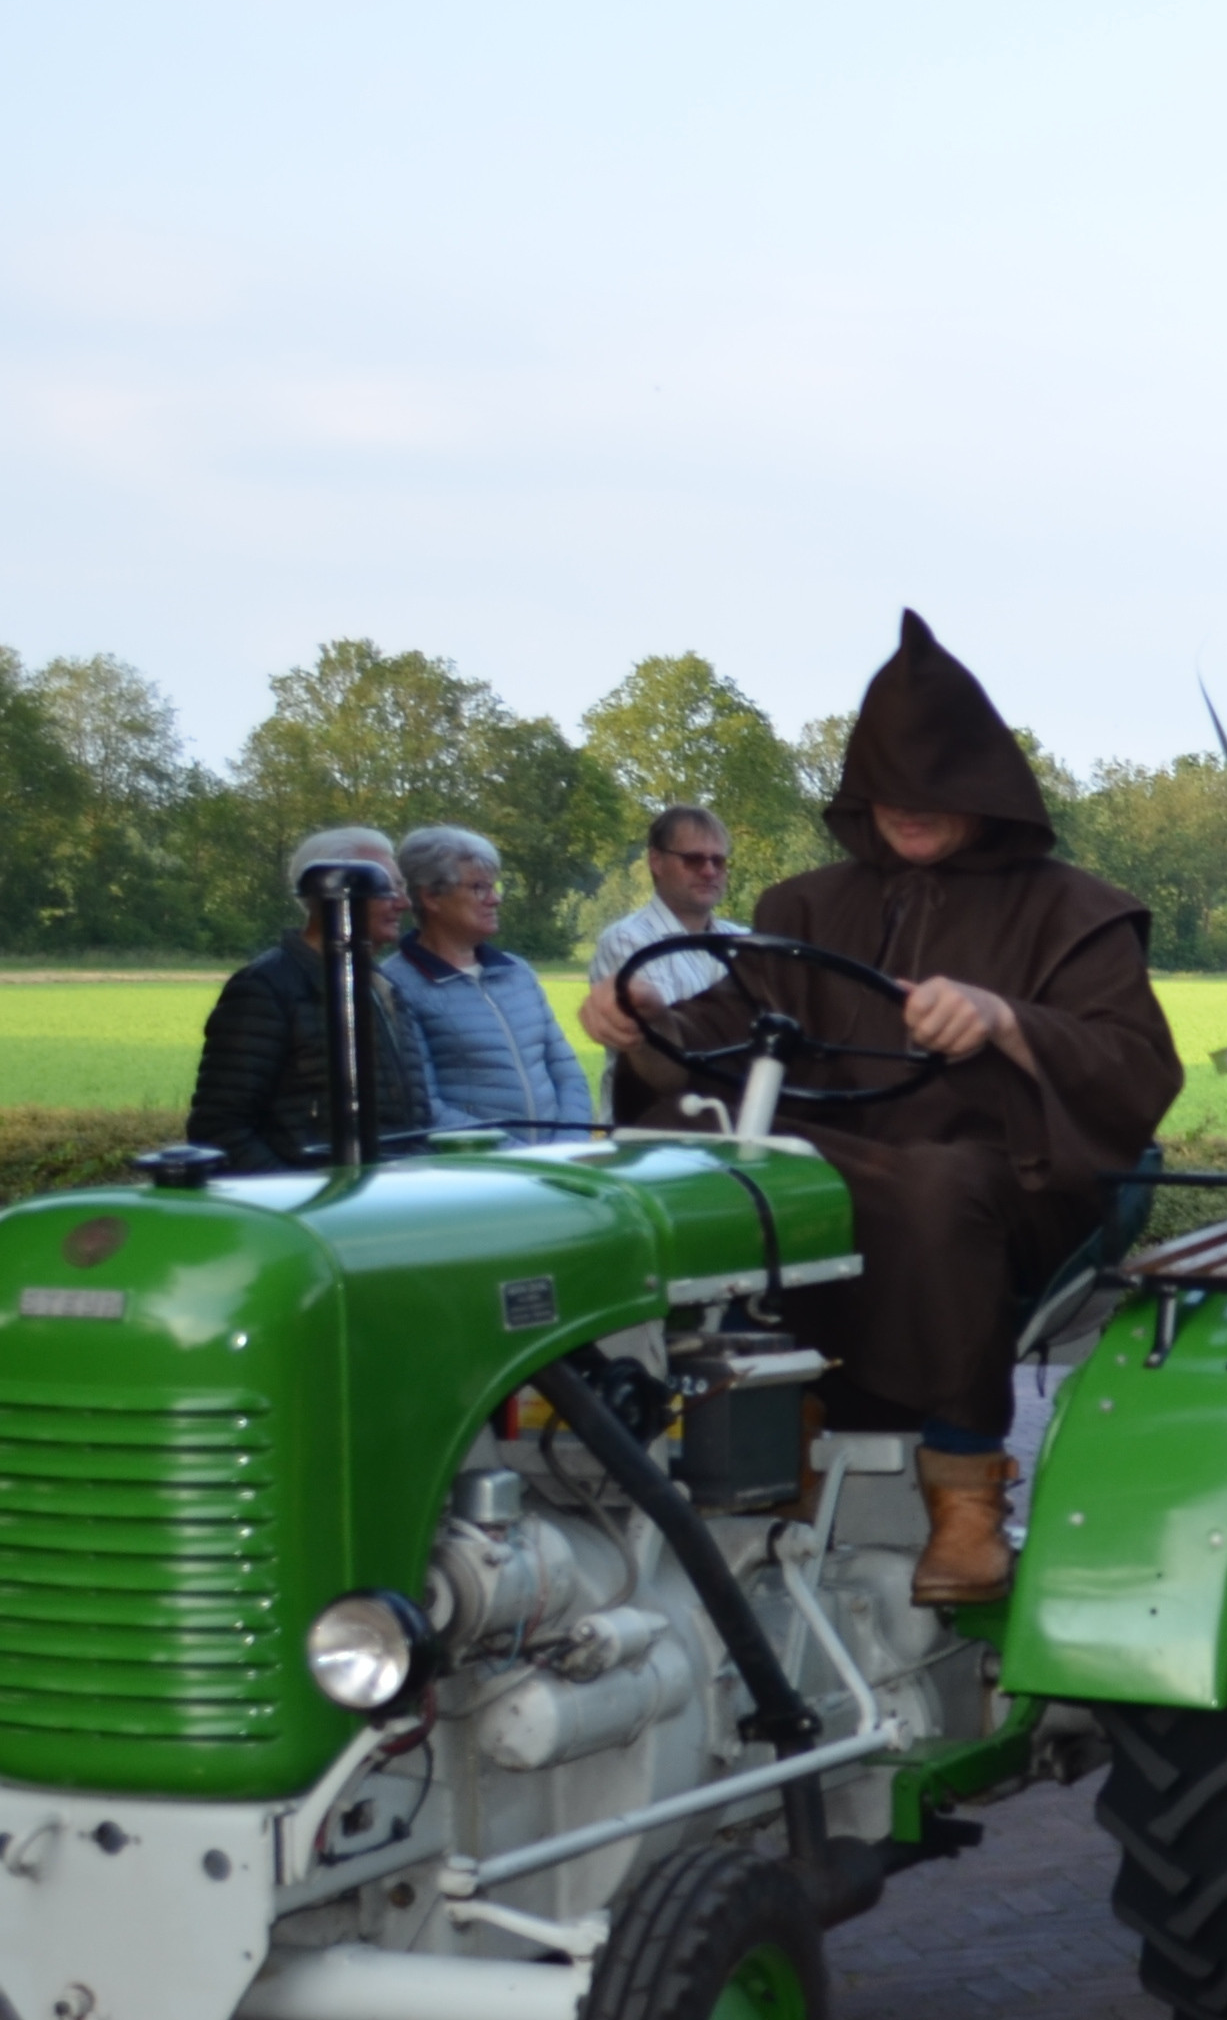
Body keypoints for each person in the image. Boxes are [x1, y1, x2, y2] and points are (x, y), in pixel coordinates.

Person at [582, 614, 1180, 1605]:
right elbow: (725, 1026)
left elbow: (1132, 1064)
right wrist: (643, 1024)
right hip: (829, 1153)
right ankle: (762, 1428)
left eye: (933, 789)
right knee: (691, 1147)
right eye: (888, 787)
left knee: (939, 1187)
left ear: (985, 788)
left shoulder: (1074, 911)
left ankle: (963, 1487)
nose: (906, 810)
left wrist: (1002, 1019)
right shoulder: (805, 908)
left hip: (1009, 1176)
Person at [189, 826, 439, 1168]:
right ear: (330, 894)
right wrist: (298, 1193)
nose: (404, 903)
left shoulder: (385, 988)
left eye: (401, 888)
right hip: (317, 1195)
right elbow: (220, 1127)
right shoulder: (266, 987)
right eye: (384, 889)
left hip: (388, 1191)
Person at [382, 825, 597, 1133]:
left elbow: (567, 1072)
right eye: (479, 888)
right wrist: (512, 1155)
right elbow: (425, 1106)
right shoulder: (397, 986)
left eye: (495, 886)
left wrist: (569, 1143)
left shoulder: (517, 973)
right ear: (431, 897)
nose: (495, 899)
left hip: (555, 1158)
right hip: (476, 1163)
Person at [590, 804, 739, 1018]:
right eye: (693, 860)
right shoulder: (626, 941)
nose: (709, 871)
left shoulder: (744, 941)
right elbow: (665, 1030)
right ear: (656, 862)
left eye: (718, 861)